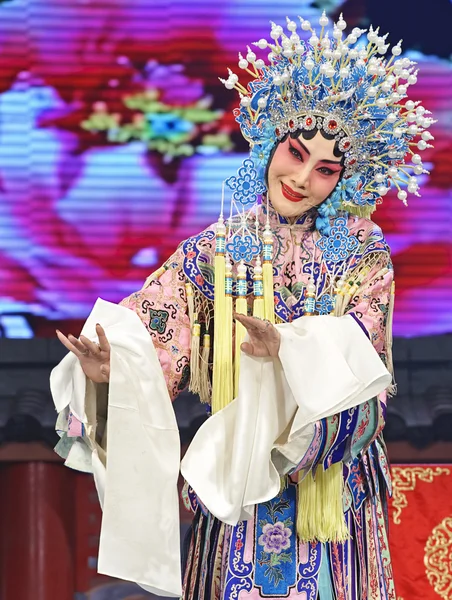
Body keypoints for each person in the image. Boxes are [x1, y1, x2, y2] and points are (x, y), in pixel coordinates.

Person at [51, 11, 433, 600]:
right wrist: (110, 373)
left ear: (347, 179)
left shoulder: (364, 253)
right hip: (235, 492)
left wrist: (294, 354)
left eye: (325, 169)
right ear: (271, 139)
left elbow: (366, 374)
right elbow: (159, 331)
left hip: (329, 507)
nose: (301, 177)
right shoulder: (218, 248)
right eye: (295, 151)